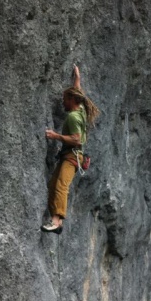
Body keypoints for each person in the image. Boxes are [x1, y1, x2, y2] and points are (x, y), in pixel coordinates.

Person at [41, 64, 100, 234]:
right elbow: (77, 93)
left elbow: (77, 139)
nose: (63, 101)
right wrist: (77, 79)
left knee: (61, 185)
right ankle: (55, 220)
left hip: (72, 157)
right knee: (53, 185)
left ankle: (56, 221)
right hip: (69, 155)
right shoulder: (79, 109)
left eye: (65, 99)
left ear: (72, 101)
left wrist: (55, 136)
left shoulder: (74, 117)